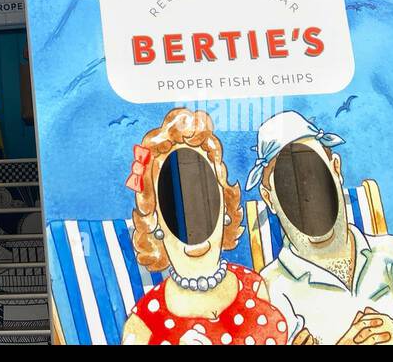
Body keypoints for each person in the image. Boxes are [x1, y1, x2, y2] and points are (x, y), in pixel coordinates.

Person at [248, 111, 393, 345]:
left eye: (315, 174)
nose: (307, 197)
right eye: (287, 186)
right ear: (269, 198)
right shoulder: (270, 289)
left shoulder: (389, 253)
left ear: (336, 169)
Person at [122, 107, 288, 345]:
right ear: (154, 223)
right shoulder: (142, 326)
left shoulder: (256, 288)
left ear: (225, 209)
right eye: (174, 207)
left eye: (205, 200)